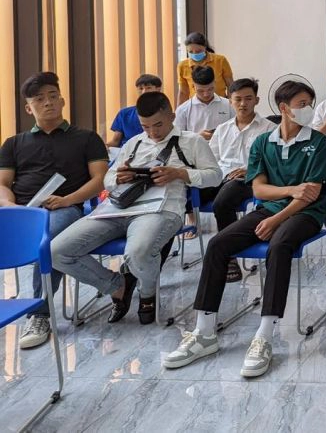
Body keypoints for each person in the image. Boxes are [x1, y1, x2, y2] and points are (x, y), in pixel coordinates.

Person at [162, 80, 326, 378]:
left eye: (309, 104)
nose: (307, 109)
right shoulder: (263, 143)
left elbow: (310, 195)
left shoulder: (317, 143)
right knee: (218, 244)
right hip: (269, 209)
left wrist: (276, 218)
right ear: (284, 108)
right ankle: (204, 332)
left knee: (280, 245)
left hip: (306, 214)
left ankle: (264, 335)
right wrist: (289, 190)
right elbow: (259, 189)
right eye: (301, 104)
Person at [52, 91, 220, 325]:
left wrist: (180, 174)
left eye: (158, 125)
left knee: (137, 252)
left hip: (161, 210)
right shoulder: (134, 143)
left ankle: (147, 292)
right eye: (145, 126)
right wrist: (119, 178)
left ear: (172, 116)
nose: (152, 132)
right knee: (56, 251)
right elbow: (107, 179)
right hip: (116, 209)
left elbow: (215, 176)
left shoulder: (192, 141)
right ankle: (117, 286)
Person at [0, 72, 108, 349]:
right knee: (37, 231)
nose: (47, 102)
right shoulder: (13, 143)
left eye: (52, 96)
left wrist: (67, 199)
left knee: (46, 239)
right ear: (29, 108)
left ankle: (39, 314)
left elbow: (99, 180)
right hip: (22, 211)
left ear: (62, 101)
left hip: (65, 208)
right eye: (39, 99)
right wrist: (10, 206)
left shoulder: (86, 138)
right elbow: (2, 184)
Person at [208, 78, 276, 282]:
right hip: (220, 176)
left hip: (248, 179)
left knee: (222, 201)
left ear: (257, 100)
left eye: (248, 98)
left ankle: (229, 255)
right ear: (230, 100)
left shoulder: (270, 129)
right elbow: (211, 159)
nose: (243, 104)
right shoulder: (222, 129)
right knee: (187, 191)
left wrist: (250, 171)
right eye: (237, 99)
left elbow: (274, 163)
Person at [175, 65, 234, 237]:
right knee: (183, 179)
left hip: (223, 157)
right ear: (193, 86)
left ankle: (225, 221)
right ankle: (192, 218)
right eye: (201, 90)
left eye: (210, 89)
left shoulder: (228, 105)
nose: (206, 94)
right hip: (195, 160)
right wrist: (197, 137)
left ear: (215, 84)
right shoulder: (184, 109)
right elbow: (176, 140)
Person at [176, 31, 233, 106]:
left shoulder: (220, 60)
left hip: (220, 104)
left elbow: (230, 85)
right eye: (191, 52)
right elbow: (183, 92)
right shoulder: (182, 66)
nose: (194, 54)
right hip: (195, 106)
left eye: (198, 51)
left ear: (205, 47)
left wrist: (231, 104)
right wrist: (179, 110)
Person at [107, 74, 163, 148]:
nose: (144, 92)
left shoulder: (164, 114)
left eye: (148, 88)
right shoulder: (124, 113)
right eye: (141, 88)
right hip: (125, 152)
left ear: (158, 89)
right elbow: (115, 141)